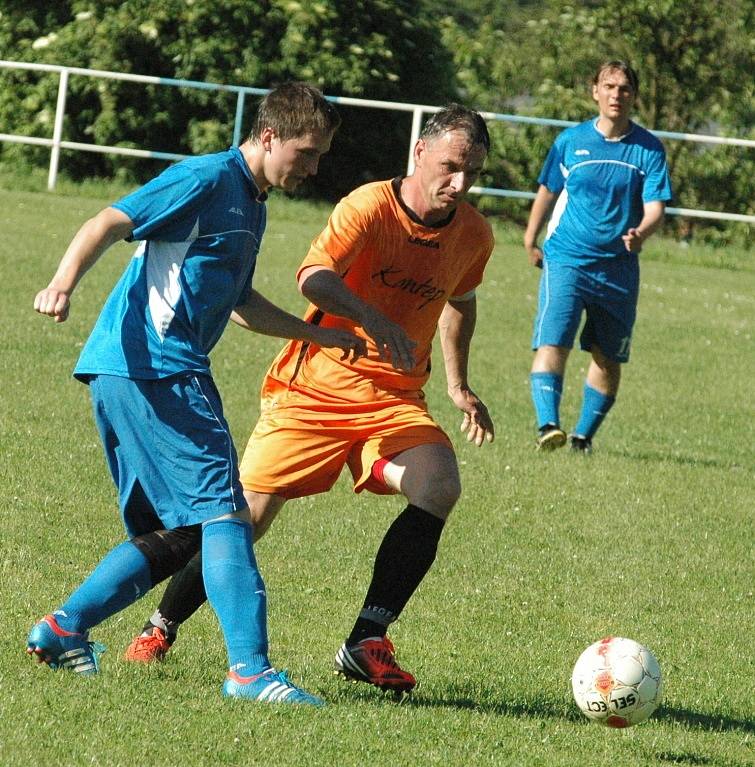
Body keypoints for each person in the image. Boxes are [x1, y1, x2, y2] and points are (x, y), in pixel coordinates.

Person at [124, 104, 496, 694]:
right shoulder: (369, 206)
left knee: (439, 485)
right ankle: (160, 626)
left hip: (393, 398)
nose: (460, 183)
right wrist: (372, 320)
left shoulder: (474, 233)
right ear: (420, 153)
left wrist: (457, 384)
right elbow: (312, 278)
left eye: (472, 172)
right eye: (451, 167)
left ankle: (366, 640)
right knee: (240, 522)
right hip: (315, 388)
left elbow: (461, 301)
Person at [26, 82, 366, 706]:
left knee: (179, 534)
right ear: (269, 137)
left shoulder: (253, 203)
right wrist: (61, 284)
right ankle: (249, 672)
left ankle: (61, 630)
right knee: (225, 515)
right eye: (307, 152)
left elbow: (238, 304)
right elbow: (109, 219)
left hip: (129, 373)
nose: (314, 167)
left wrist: (318, 336)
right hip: (159, 369)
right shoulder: (208, 179)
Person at [523, 60, 672, 453]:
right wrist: (530, 236)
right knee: (553, 342)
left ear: (633, 96)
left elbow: (656, 206)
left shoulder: (649, 149)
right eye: (609, 86)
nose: (616, 95)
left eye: (624, 88)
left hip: (619, 267)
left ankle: (582, 436)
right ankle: (547, 426)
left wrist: (642, 231)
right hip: (567, 257)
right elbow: (548, 190)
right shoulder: (570, 142)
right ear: (595, 91)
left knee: (608, 358)